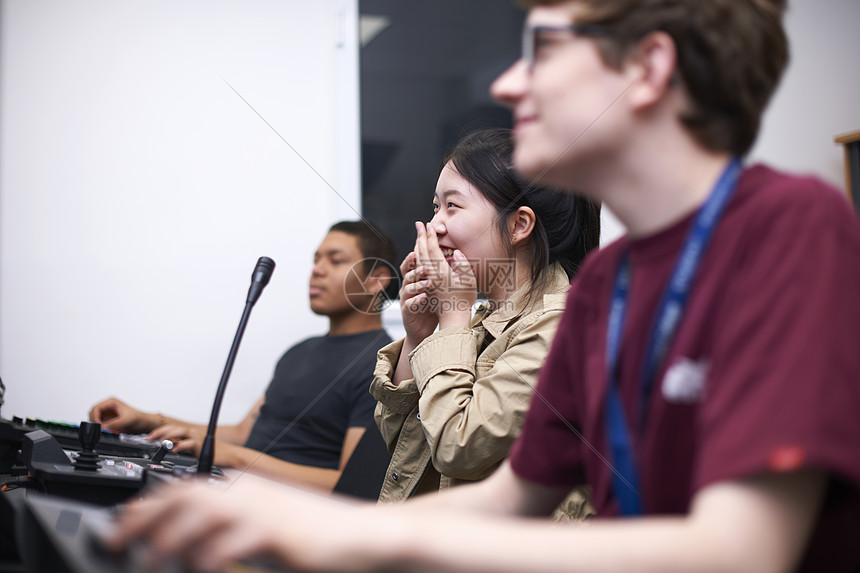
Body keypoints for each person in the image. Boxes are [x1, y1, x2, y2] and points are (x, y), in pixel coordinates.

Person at [107, 1, 860, 571]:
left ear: (649, 68)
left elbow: (742, 551)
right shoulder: (608, 284)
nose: (506, 81)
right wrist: (290, 515)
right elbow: (508, 497)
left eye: (542, 50)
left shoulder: (791, 224)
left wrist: (338, 528)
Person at [372, 128, 600, 501]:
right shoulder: (480, 318)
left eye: (452, 206)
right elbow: (406, 449)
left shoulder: (562, 325)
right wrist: (418, 336)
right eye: (435, 207)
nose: (434, 226)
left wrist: (452, 318)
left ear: (518, 226)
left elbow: (456, 447)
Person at [90, 220, 397, 492]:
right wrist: (147, 421)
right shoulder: (298, 352)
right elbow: (243, 433)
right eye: (316, 259)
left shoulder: (383, 366)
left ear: (376, 280)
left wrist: (235, 457)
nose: (317, 269)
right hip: (237, 488)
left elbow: (349, 485)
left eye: (336, 260)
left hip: (286, 511)